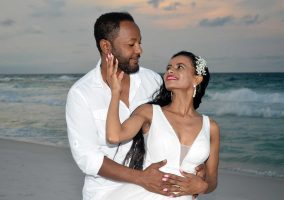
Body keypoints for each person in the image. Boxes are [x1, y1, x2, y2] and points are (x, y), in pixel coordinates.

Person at [66, 12, 206, 200]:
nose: (139, 50)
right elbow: (88, 158)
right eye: (131, 44)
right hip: (104, 193)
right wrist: (141, 178)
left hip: (155, 190)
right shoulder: (81, 93)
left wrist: (196, 168)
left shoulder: (153, 81)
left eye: (140, 42)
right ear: (106, 46)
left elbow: (176, 128)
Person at [103, 50, 220, 199]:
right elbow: (114, 136)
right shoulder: (149, 112)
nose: (170, 70)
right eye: (168, 67)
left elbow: (212, 180)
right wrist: (115, 92)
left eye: (180, 67)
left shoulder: (211, 127)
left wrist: (202, 186)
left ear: (196, 79)